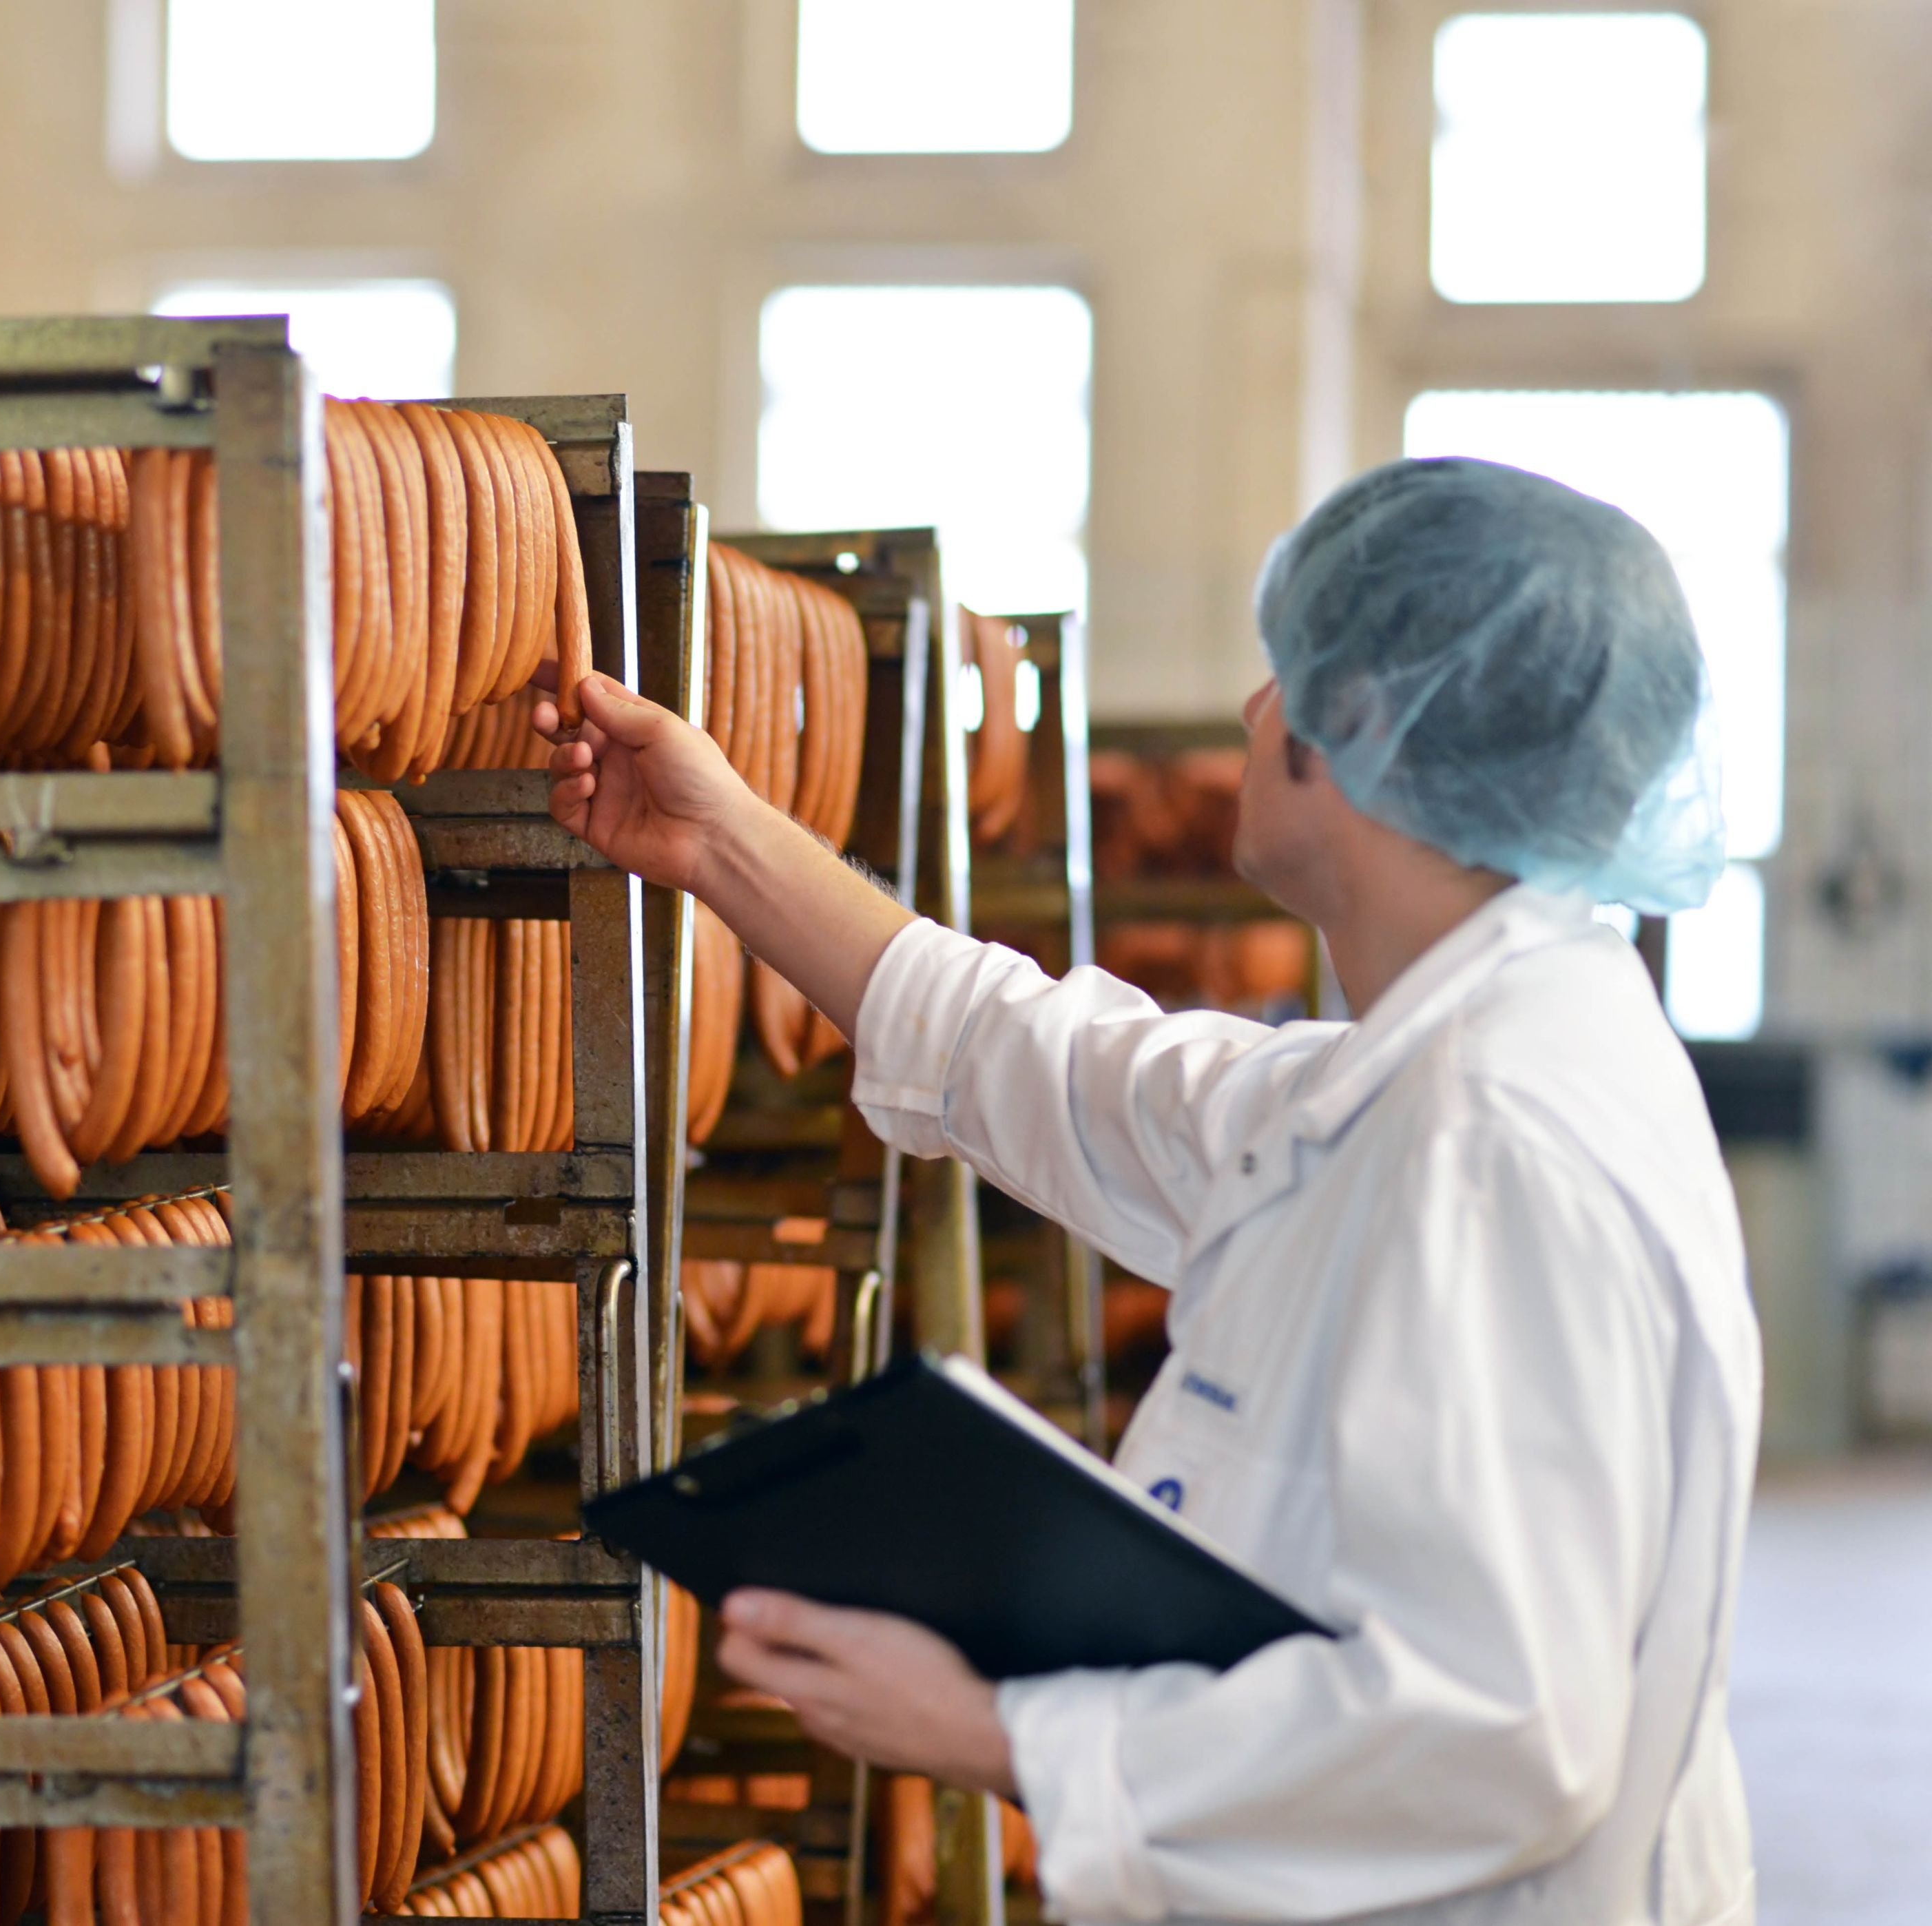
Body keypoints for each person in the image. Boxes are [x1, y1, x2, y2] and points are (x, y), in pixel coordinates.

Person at [534, 457, 1760, 1924]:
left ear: (1365, 722)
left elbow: (1497, 1734)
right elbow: (1051, 1064)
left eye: (1284, 673)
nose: (1251, 712)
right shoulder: (1431, 1075)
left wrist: (996, 1730)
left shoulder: (1491, 1136)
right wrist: (719, 837)